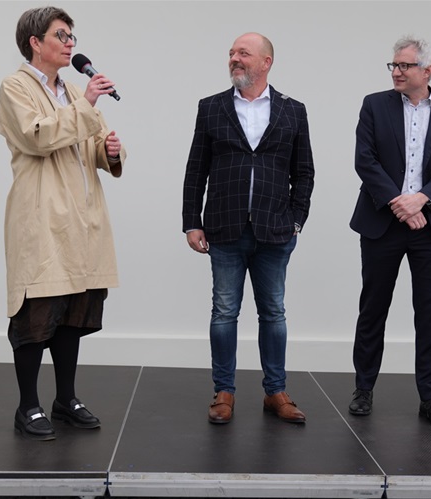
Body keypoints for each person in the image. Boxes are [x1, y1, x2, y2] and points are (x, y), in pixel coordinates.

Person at [0, 6, 125, 440]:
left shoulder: (71, 90)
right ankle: (27, 406)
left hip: (82, 218)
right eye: (61, 35)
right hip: (42, 216)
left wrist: (108, 151)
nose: (71, 43)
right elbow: (37, 136)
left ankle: (65, 399)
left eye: (72, 36)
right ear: (36, 42)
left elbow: (90, 143)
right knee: (37, 312)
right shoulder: (15, 87)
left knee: (73, 311)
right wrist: (87, 104)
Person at [182, 32, 314, 425]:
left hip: (275, 230)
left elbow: (304, 172)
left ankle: (276, 391)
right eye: (232, 53)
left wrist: (296, 220)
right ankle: (223, 391)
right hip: (224, 228)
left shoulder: (293, 110)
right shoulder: (212, 107)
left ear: (266, 62)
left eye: (243, 53)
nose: (234, 59)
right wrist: (191, 222)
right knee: (224, 312)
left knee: (274, 313)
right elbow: (196, 169)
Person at [348, 37, 431, 430]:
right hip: (382, 222)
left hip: (428, 226)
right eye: (394, 65)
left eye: (405, 66)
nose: (396, 72)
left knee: (430, 315)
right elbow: (365, 160)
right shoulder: (374, 105)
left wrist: (422, 200)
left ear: (427, 70)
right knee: (373, 308)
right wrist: (399, 202)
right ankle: (363, 388)